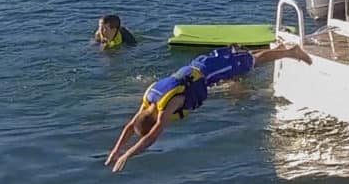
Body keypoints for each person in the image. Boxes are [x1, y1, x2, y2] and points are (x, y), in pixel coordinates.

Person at [104, 40, 312, 172]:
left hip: (209, 71)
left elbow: (152, 136)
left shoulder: (167, 106)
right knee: (243, 60)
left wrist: (127, 154)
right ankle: (278, 49)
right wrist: (115, 150)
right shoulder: (149, 97)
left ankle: (291, 52)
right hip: (197, 66)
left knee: (252, 62)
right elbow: (131, 126)